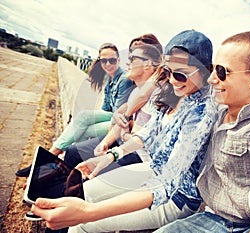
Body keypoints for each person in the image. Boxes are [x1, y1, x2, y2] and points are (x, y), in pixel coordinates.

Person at [31, 29, 218, 232]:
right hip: (152, 170)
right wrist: (111, 155)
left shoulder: (203, 113)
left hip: (174, 197)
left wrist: (89, 213)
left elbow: (167, 183)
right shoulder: (175, 92)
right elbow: (147, 133)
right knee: (84, 191)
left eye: (180, 74)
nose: (172, 80)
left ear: (206, 71)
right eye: (167, 71)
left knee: (81, 224)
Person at [153, 31, 250, 233]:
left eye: (222, 71)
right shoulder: (214, 111)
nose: (212, 79)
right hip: (210, 219)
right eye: (213, 69)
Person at [16, 42, 135, 177]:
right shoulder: (110, 78)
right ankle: (58, 163)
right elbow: (105, 108)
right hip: (111, 118)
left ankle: (49, 160)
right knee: (82, 123)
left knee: (83, 122)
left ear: (118, 60)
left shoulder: (124, 79)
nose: (108, 64)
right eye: (104, 60)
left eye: (112, 60)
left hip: (120, 124)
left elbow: (117, 113)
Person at [62, 33, 164, 171]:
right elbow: (120, 114)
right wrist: (106, 141)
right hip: (121, 140)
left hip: (138, 153)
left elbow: (139, 137)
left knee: (90, 167)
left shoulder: (155, 93)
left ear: (149, 63)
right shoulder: (136, 90)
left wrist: (121, 132)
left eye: (133, 57)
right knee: (73, 151)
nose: (127, 62)